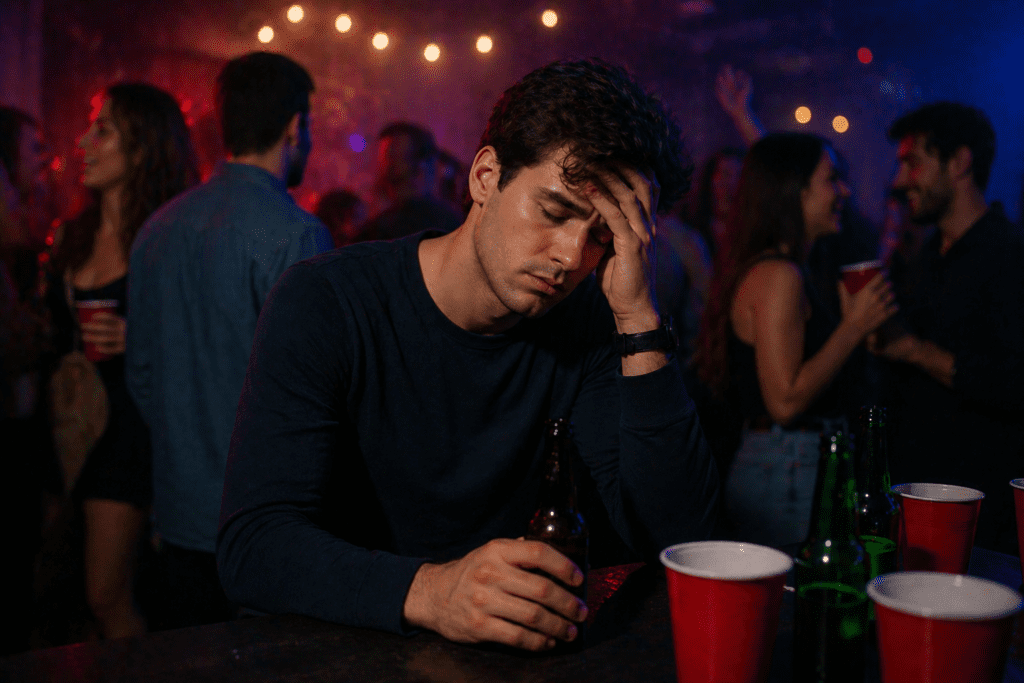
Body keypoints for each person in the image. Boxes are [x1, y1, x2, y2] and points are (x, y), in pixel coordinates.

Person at [218, 58, 719, 652]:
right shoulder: (327, 300)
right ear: (485, 176)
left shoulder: (590, 322)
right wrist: (431, 591)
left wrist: (639, 320)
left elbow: (676, 538)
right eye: (554, 211)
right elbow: (254, 545)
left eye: (602, 236)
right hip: (348, 652)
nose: (569, 255)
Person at [126, 52, 332, 630]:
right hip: (263, 522)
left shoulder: (158, 226)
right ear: (296, 126)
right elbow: (316, 395)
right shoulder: (296, 233)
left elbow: (140, 374)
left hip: (178, 514)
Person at [46, 83, 199, 639]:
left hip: (127, 432)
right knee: (62, 590)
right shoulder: (72, 233)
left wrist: (142, 335)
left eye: (103, 130)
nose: (84, 142)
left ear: (141, 149)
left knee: (107, 594)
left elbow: (201, 340)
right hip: (66, 427)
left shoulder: (165, 238)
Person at [694, 132, 896, 548]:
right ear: (794, 191)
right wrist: (853, 326)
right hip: (786, 463)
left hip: (794, 462)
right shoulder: (778, 276)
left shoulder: (794, 269)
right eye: (832, 179)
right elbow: (784, 401)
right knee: (793, 606)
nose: (844, 190)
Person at [880, 102, 1024, 554]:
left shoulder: (1008, 255)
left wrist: (914, 350)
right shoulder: (927, 256)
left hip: (978, 516)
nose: (901, 181)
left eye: (913, 162)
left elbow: (1015, 381)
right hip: (916, 500)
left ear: (960, 162)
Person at [360, 121, 462, 240]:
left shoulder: (377, 230)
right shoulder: (448, 221)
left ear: (420, 164)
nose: (383, 164)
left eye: (391, 155)